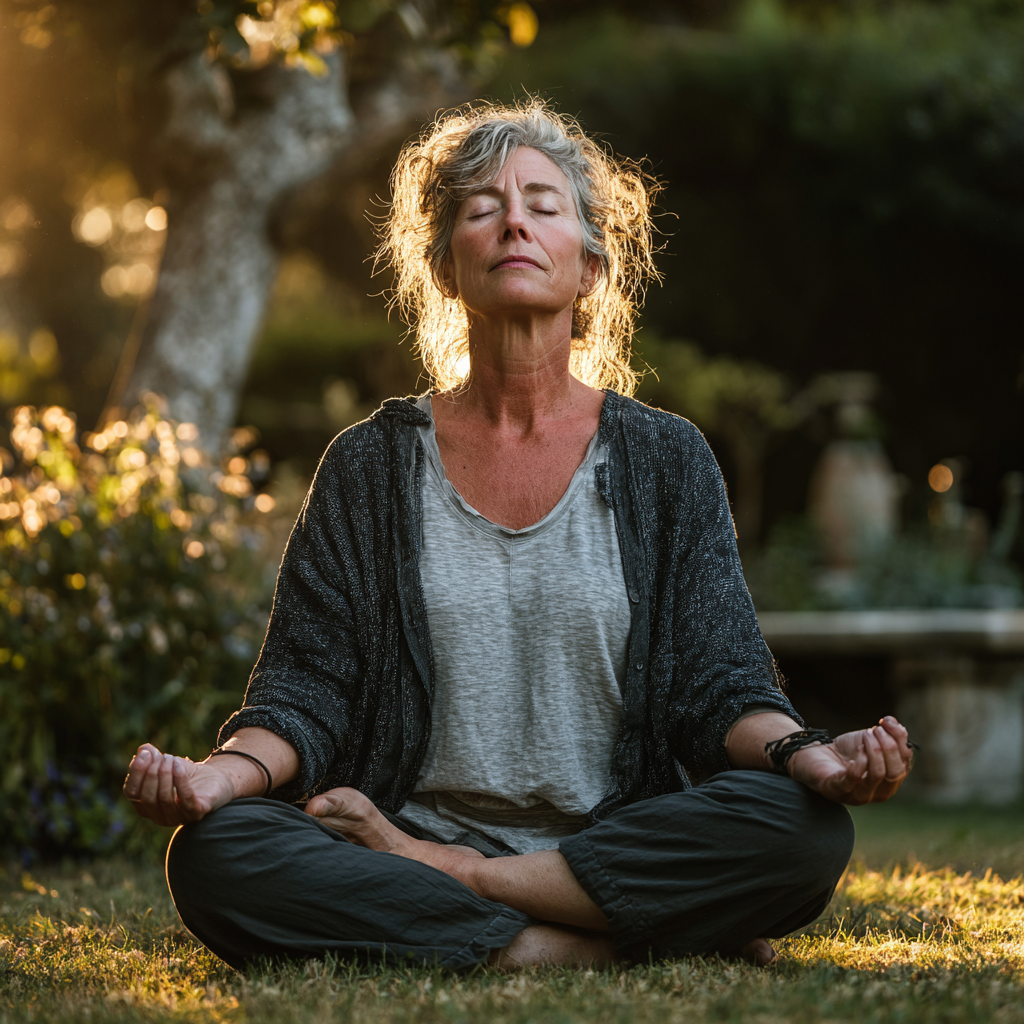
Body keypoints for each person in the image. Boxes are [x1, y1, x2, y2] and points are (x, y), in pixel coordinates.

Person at [123, 101, 914, 972]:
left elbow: (720, 684)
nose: (513, 223)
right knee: (216, 853)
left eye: (543, 205)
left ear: (591, 267)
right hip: (406, 816)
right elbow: (303, 694)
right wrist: (216, 778)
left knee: (801, 831)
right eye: (481, 207)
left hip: (595, 837)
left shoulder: (667, 459)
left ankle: (463, 885)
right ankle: (593, 944)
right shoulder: (370, 467)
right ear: (445, 267)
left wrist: (809, 759)